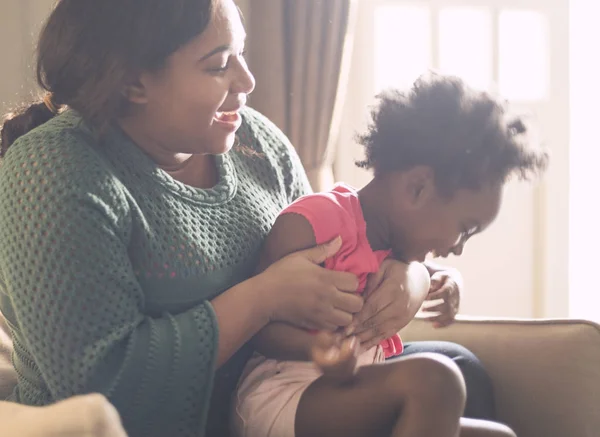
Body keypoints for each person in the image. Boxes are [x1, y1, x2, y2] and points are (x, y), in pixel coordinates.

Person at [0, 0, 490, 436]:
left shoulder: (258, 142)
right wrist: (262, 298)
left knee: (463, 369)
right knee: (437, 381)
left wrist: (412, 273)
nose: (247, 82)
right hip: (164, 421)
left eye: (242, 54)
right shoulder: (53, 171)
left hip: (288, 385)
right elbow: (104, 385)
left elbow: (343, 246)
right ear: (133, 82)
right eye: (218, 66)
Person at [232, 74, 548, 437]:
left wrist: (443, 277)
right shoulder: (314, 224)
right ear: (417, 188)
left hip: (351, 395)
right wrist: (316, 347)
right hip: (285, 394)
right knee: (436, 380)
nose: (458, 247)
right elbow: (259, 327)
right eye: (464, 229)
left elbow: (403, 265)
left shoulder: (394, 244)